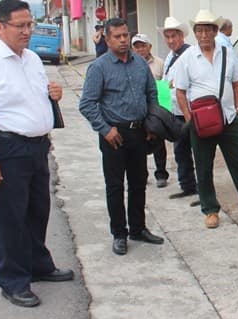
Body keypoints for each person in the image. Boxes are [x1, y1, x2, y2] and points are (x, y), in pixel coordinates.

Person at [0, 0, 74, 307]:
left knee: (37, 211)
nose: (27, 31)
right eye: (20, 26)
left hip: (36, 147)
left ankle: (38, 265)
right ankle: (13, 280)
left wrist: (54, 94)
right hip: (6, 149)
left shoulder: (31, 59)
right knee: (10, 218)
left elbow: (34, 99)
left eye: (29, 24)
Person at [174, 10, 238, 229]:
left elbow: (237, 83)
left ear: (216, 31)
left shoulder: (227, 53)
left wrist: (237, 110)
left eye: (208, 30)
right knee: (204, 167)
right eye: (199, 30)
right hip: (200, 123)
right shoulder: (187, 58)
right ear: (195, 34)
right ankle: (210, 209)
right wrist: (190, 120)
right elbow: (180, 91)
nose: (204, 34)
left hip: (227, 119)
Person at [79, 18, 165, 256]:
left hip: (139, 131)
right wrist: (105, 129)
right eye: (117, 36)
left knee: (139, 182)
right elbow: (87, 104)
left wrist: (151, 123)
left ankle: (138, 228)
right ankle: (119, 233)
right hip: (114, 135)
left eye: (126, 35)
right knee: (115, 186)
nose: (123, 40)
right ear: (107, 39)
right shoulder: (99, 67)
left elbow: (152, 94)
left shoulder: (139, 64)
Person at [159, 17, 199, 203]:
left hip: (189, 111)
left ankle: (204, 189)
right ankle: (188, 185)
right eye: (167, 37)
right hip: (174, 112)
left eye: (173, 36)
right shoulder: (170, 56)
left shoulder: (190, 54)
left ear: (181, 36)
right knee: (180, 151)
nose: (170, 40)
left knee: (198, 152)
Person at [132, 33, 168, 188]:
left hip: (156, 110)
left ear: (149, 47)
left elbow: (165, 86)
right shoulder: (129, 64)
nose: (140, 49)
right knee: (138, 145)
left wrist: (165, 111)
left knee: (158, 143)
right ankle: (141, 175)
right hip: (138, 110)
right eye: (137, 46)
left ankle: (161, 174)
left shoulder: (160, 63)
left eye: (143, 46)